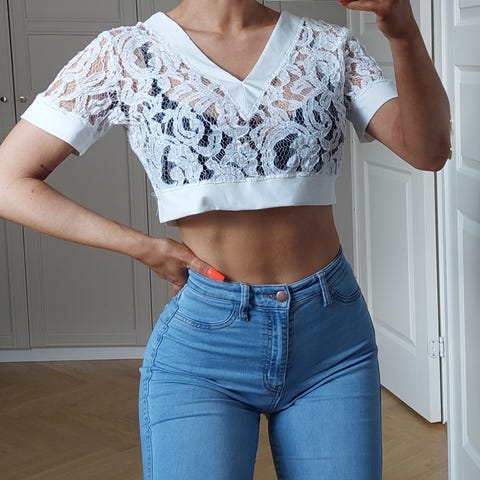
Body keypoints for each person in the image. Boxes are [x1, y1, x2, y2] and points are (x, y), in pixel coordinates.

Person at [0, 0, 450, 478]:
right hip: (204, 348)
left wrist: (401, 31)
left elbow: (429, 151)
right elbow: (9, 181)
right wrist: (143, 247)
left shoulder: (329, 47)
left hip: (332, 343)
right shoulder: (126, 54)